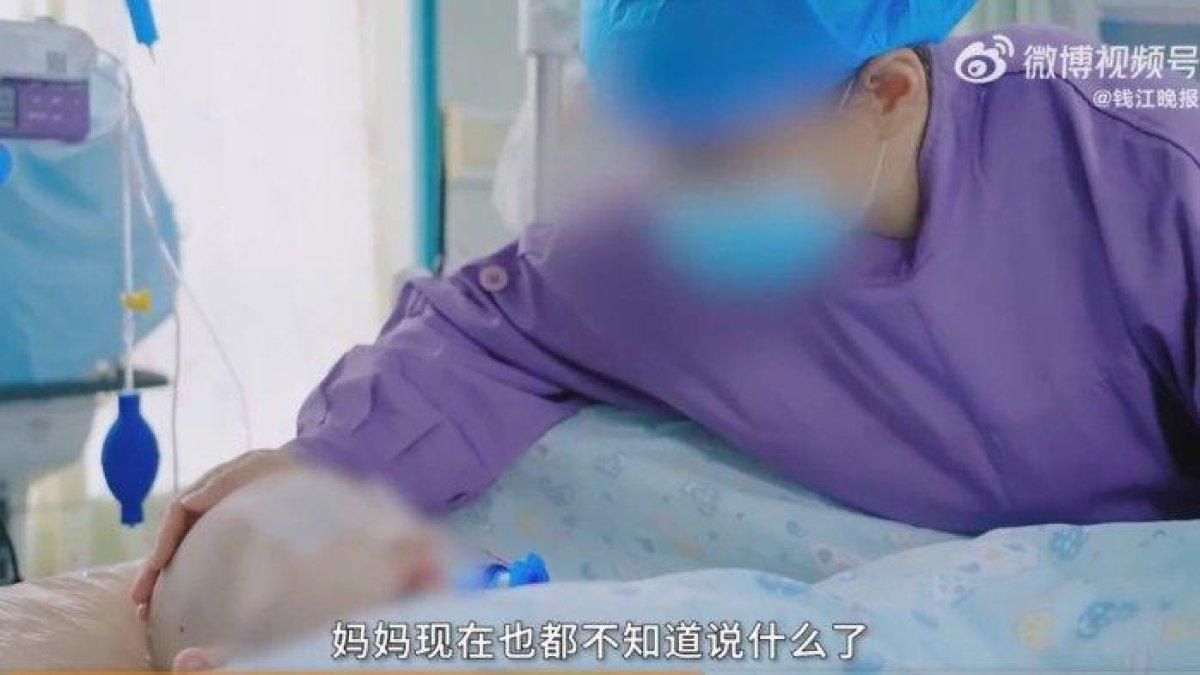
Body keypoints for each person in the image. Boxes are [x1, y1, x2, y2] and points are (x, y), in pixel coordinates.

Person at [134, 0, 1200, 620]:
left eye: (713, 156)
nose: (665, 198)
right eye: (646, 147)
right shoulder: (649, 250)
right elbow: (481, 330)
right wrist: (318, 464)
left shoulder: (1134, 157)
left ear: (887, 92)